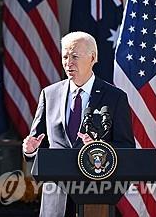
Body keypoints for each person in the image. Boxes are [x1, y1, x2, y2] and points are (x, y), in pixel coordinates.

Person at [22, 31, 135, 217]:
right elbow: (37, 141)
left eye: (75, 56)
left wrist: (98, 148)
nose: (68, 62)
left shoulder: (115, 97)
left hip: (95, 195)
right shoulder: (49, 94)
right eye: (65, 56)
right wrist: (30, 149)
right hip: (55, 200)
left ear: (93, 58)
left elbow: (126, 147)